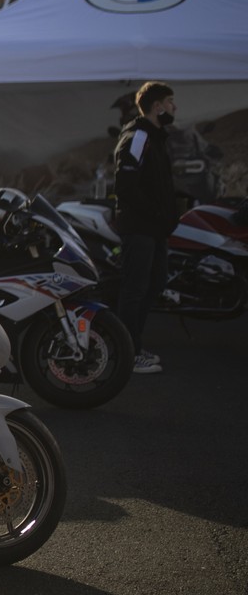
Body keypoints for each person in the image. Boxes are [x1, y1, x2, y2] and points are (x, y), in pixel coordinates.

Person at [113, 81, 179, 375]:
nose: (174, 108)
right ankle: (128, 352)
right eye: (170, 102)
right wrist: (155, 213)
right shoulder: (139, 136)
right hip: (139, 227)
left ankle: (132, 344)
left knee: (156, 283)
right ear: (157, 106)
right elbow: (125, 184)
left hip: (154, 229)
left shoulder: (155, 137)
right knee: (134, 288)